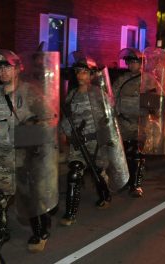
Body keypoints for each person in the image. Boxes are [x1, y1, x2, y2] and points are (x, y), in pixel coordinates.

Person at [0, 49, 60, 263]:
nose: (1, 71)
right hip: (1, 162)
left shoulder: (30, 92)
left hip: (27, 162)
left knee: (32, 203)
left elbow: (50, 120)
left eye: (6, 67)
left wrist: (32, 128)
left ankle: (41, 232)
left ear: (17, 68)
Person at [60, 54, 117, 226]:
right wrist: (64, 133)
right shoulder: (72, 95)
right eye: (78, 72)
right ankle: (70, 213)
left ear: (91, 75)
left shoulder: (100, 94)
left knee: (97, 171)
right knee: (74, 173)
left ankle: (105, 194)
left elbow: (110, 117)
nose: (80, 76)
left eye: (84, 72)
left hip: (96, 142)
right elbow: (66, 118)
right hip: (78, 142)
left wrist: (107, 139)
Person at [112, 48, 161, 198]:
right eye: (130, 62)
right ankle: (126, 180)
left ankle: (136, 184)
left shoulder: (148, 79)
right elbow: (112, 96)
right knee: (125, 154)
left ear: (141, 63)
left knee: (137, 154)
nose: (132, 65)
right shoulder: (122, 79)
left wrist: (153, 109)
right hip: (123, 122)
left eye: (135, 62)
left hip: (140, 122)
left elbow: (156, 100)